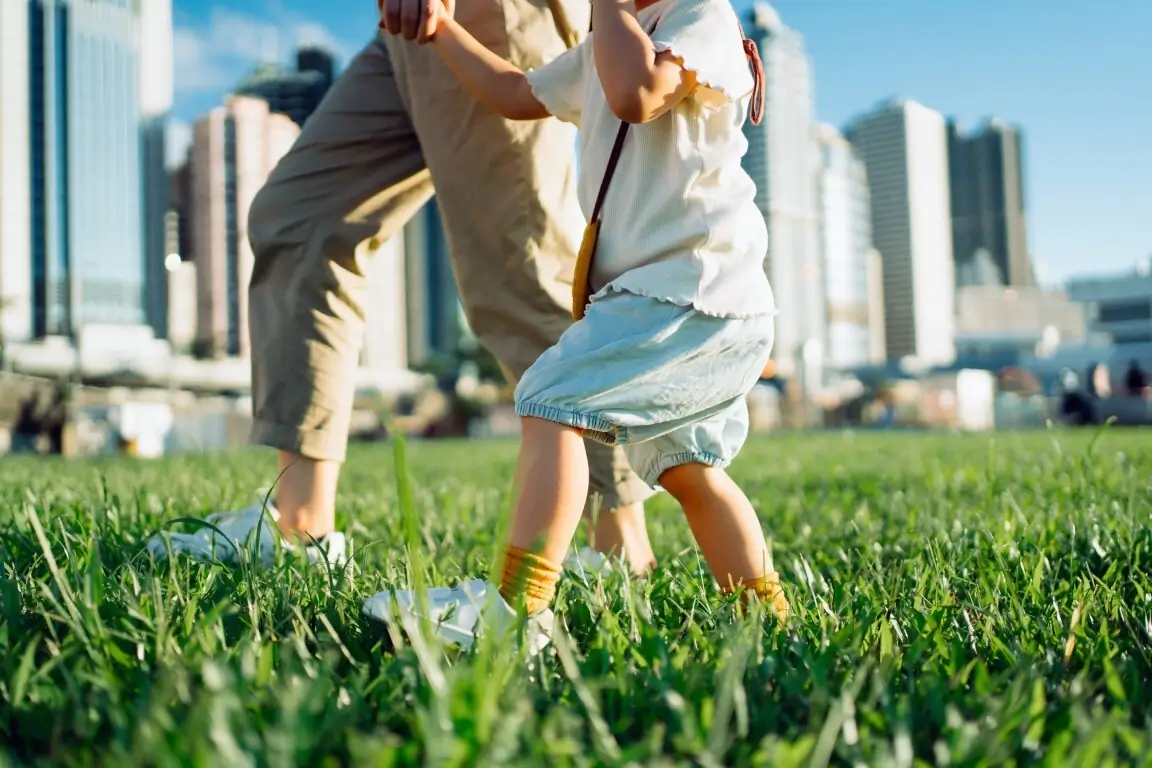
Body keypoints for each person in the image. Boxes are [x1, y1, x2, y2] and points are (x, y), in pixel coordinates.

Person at [145, 0, 658, 574]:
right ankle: (302, 527)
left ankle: (616, 540)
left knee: (520, 271)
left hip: (495, 13)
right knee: (302, 221)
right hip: (400, 36)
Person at [363, 0, 789, 649]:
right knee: (688, 465)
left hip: (688, 291)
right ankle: (769, 622)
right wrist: (443, 29)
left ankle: (516, 612)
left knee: (549, 398)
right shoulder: (609, 41)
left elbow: (637, 94)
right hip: (683, 299)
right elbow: (514, 92)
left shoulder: (702, 16)